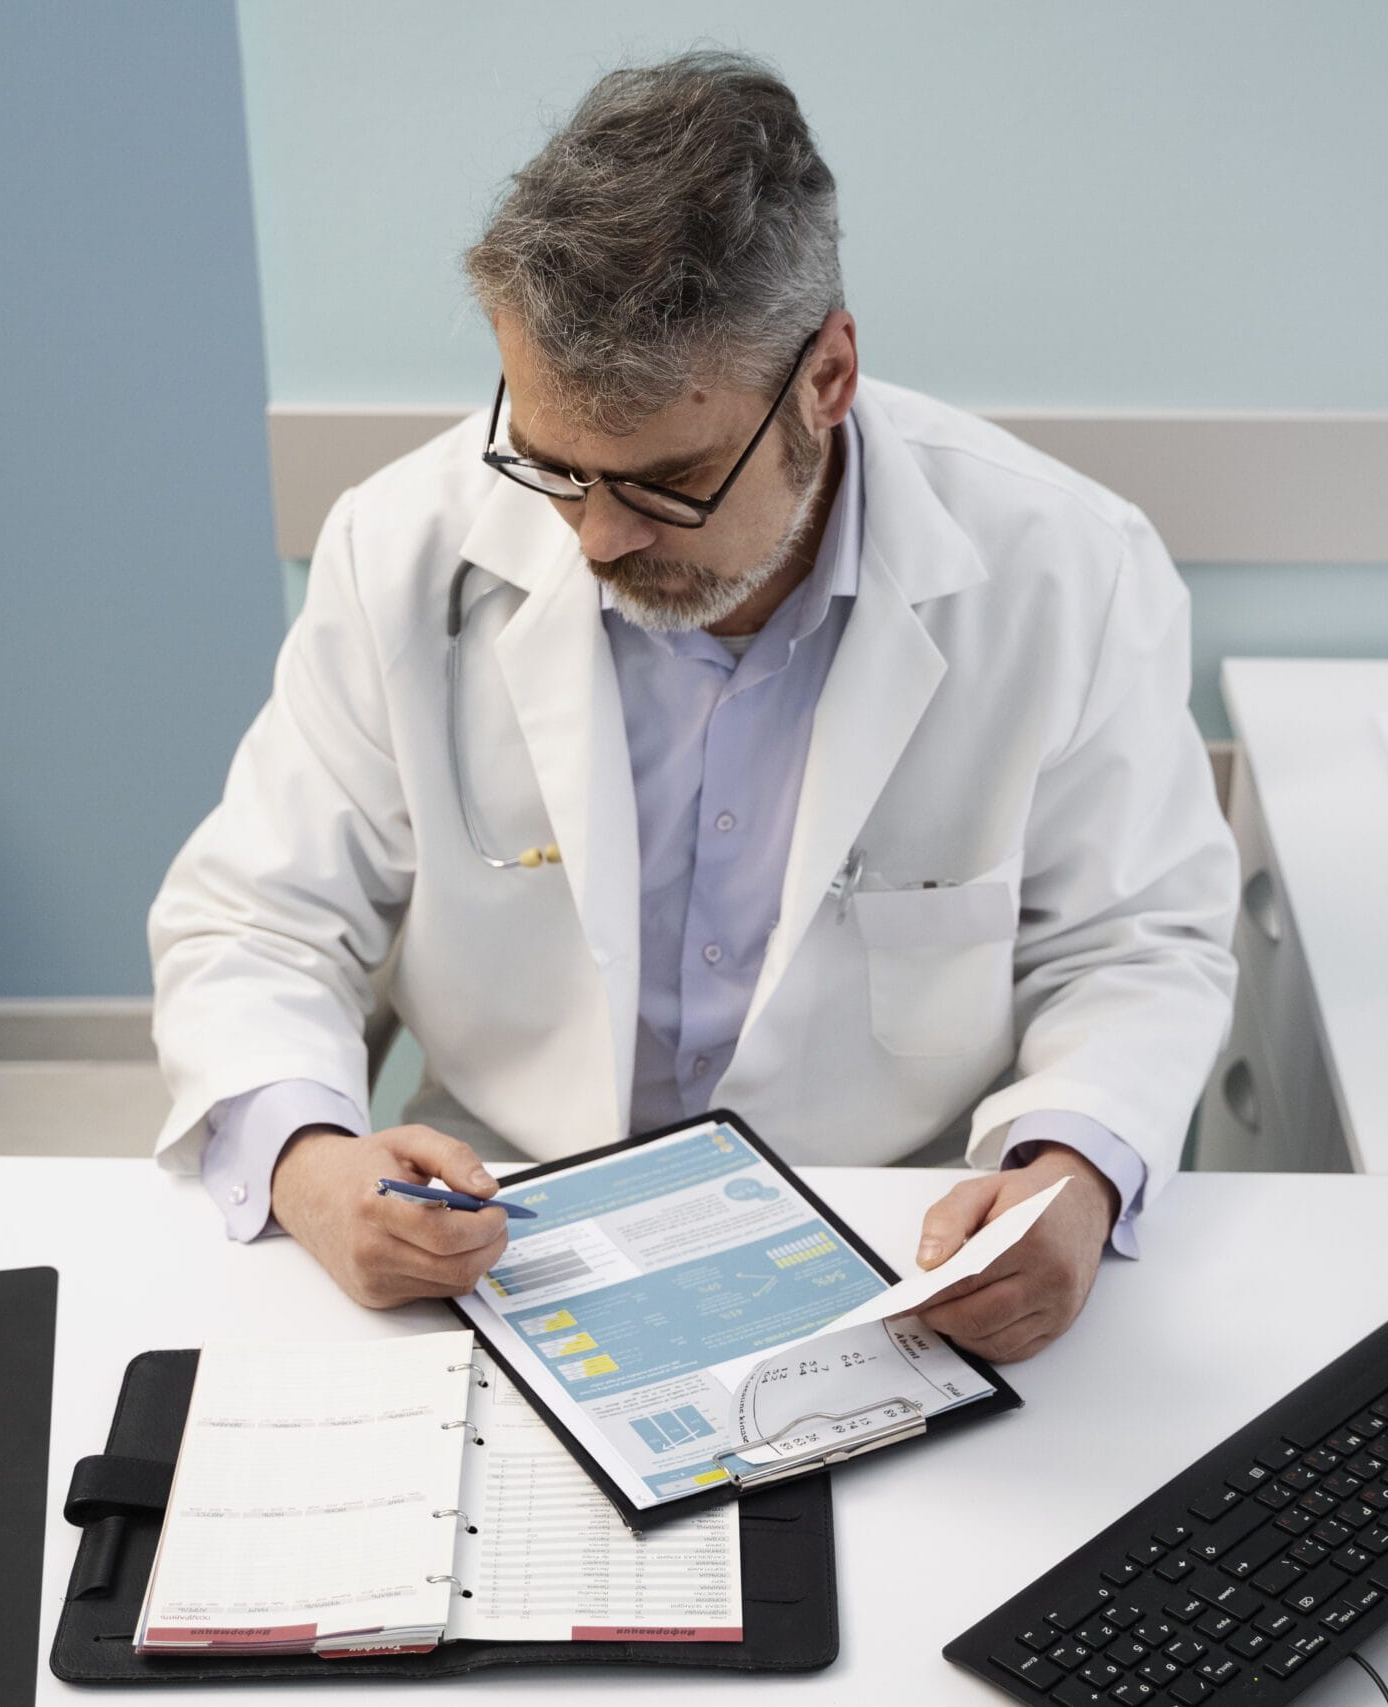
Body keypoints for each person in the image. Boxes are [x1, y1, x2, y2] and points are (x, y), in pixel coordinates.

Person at [149, 51, 1235, 1364]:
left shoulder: (1067, 570)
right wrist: (313, 1164)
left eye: (665, 482)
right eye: (549, 465)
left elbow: (1135, 945)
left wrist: (1073, 1171)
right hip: (505, 1228)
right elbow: (257, 923)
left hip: (891, 1239)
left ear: (825, 382)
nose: (595, 539)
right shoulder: (403, 548)